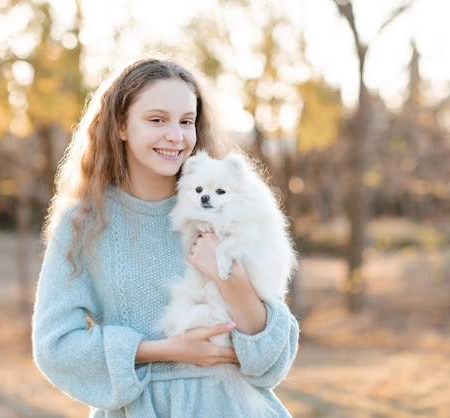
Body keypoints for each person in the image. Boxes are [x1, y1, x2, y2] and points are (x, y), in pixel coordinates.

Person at [31, 54, 300, 417]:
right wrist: (166, 349)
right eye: (157, 120)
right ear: (121, 126)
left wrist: (231, 278)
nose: (176, 136)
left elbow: (271, 362)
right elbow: (56, 347)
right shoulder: (84, 224)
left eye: (186, 121)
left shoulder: (230, 211)